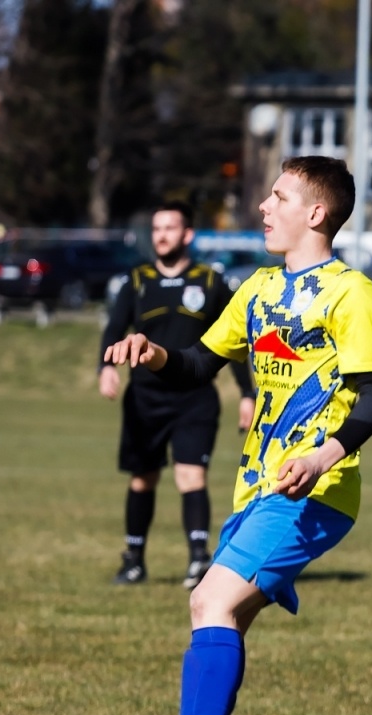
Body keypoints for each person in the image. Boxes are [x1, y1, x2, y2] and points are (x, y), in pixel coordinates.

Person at [104, 156, 372, 715]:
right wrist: (156, 356)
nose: (264, 206)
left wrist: (326, 454)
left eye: (280, 195)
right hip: (259, 488)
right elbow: (202, 362)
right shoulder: (259, 288)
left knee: (209, 599)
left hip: (313, 490)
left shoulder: (352, 294)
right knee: (223, 614)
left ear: (316, 214)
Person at [99, 203, 256, 588]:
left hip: (194, 397)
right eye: (157, 228)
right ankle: (133, 559)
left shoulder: (208, 280)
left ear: (187, 235)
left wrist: (246, 394)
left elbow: (231, 343)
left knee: (191, 475)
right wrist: (106, 367)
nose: (162, 235)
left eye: (171, 227)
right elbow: (115, 329)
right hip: (145, 398)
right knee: (142, 479)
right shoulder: (136, 281)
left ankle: (198, 561)